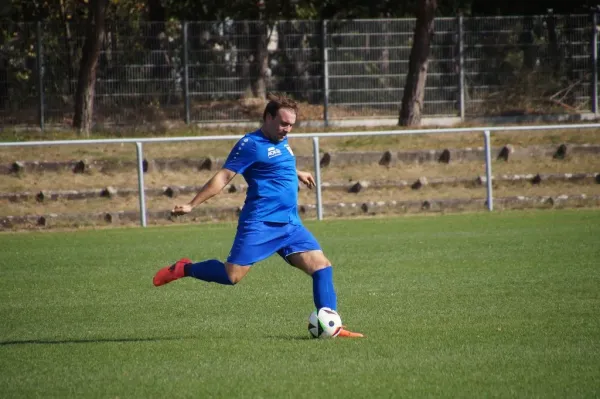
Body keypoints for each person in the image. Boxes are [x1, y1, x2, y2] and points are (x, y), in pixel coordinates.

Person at [153, 93, 363, 338]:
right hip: (260, 223)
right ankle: (185, 268)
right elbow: (223, 176)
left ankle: (332, 325)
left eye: (291, 125)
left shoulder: (281, 140)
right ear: (268, 117)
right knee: (231, 276)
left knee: (322, 266)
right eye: (283, 123)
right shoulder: (250, 144)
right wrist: (191, 204)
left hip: (289, 223)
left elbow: (275, 162)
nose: (287, 129)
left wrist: (297, 172)